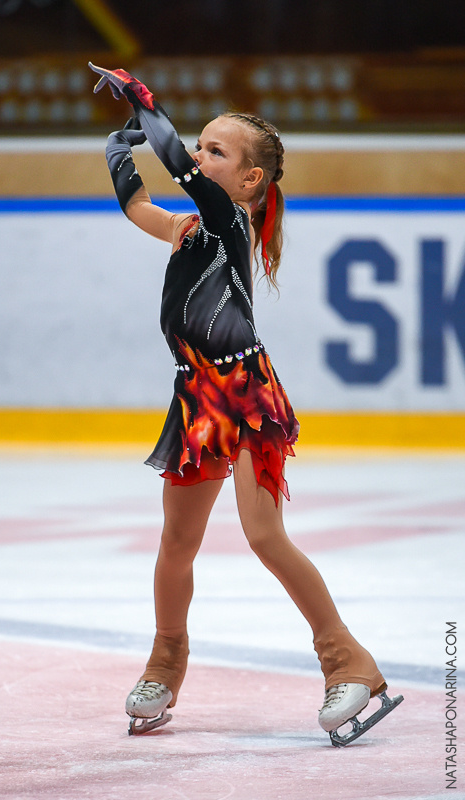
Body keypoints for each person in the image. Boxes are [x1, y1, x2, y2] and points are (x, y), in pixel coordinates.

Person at [88, 63, 402, 745]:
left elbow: (175, 165)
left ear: (250, 180)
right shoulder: (192, 230)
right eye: (201, 146)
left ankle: (347, 660)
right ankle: (165, 661)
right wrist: (117, 156)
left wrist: (145, 105)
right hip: (196, 398)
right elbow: (139, 208)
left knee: (263, 535)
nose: (200, 157)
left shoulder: (230, 221)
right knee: (176, 542)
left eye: (216, 152)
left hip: (246, 392)